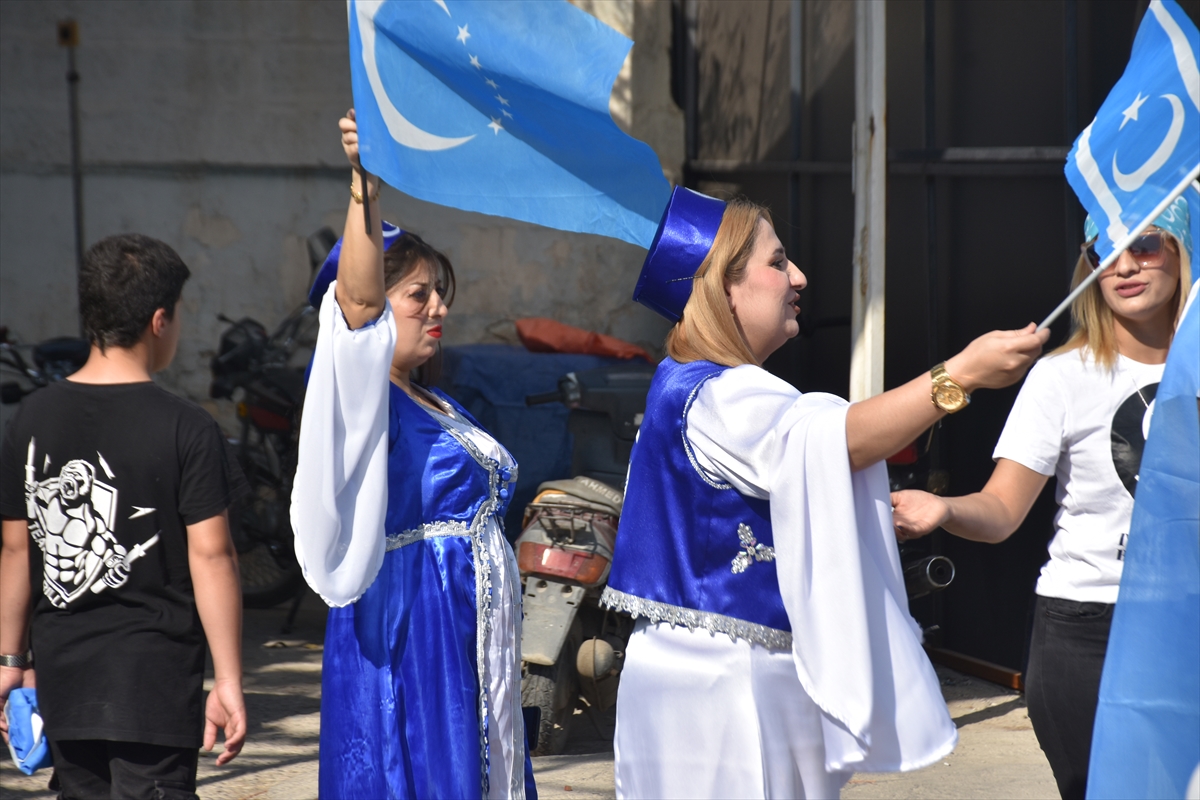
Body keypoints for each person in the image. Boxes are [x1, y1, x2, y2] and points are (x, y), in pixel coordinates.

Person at [600, 187, 1051, 798]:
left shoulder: (686, 383)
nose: (799, 277)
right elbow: (837, 441)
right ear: (723, 289)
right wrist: (960, 376)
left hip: (710, 674)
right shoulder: (720, 394)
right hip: (723, 686)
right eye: (777, 262)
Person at [890, 197, 1193, 800]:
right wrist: (946, 509)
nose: (1124, 265)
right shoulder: (1063, 375)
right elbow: (1002, 510)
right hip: (1087, 629)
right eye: (1104, 250)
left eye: (1145, 243)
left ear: (1183, 251)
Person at [289, 110, 535, 799]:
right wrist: (364, 187)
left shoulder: (433, 400)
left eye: (440, 295)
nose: (438, 309)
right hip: (415, 626)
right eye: (418, 295)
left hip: (460, 629)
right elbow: (357, 303)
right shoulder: (360, 396)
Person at [0, 233, 247, 799]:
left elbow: (15, 549)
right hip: (154, 686)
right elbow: (213, 556)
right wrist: (229, 679)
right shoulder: (187, 428)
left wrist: (10, 660)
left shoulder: (30, 419)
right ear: (160, 321)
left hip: (63, 683)